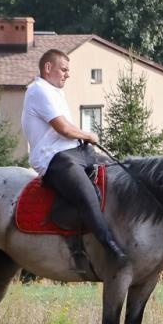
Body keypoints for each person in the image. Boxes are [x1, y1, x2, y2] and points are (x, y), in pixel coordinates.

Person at [21, 49, 128, 270]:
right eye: (64, 69)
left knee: (120, 173)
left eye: (68, 70)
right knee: (87, 194)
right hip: (55, 159)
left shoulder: (54, 92)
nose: (68, 74)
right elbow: (63, 128)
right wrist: (88, 135)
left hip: (76, 152)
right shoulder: (38, 90)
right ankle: (110, 248)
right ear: (48, 68)